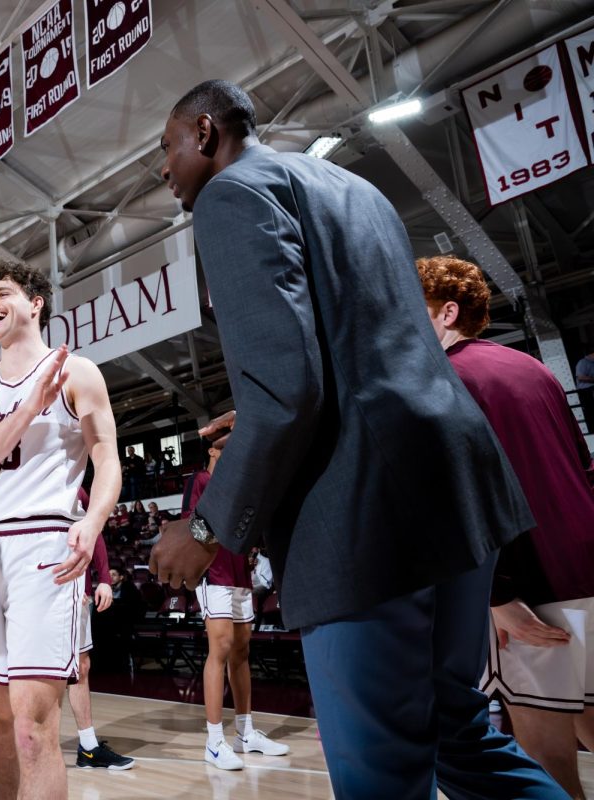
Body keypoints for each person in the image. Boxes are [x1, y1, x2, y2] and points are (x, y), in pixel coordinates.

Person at [149, 79, 565, 798]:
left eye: (168, 147)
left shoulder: (231, 195)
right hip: (454, 486)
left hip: (367, 511)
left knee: (383, 773)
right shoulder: (350, 186)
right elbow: (366, 347)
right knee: (459, 740)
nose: (164, 169)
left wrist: (209, 524)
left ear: (207, 132)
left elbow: (287, 387)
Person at [418, 255, 594, 797]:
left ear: (448, 313)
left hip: (529, 581)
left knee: (545, 756)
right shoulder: (535, 369)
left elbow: (466, 493)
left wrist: (494, 593)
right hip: (587, 566)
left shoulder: (445, 378)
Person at [0, 260, 120, 800]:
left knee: (33, 726)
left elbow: (106, 458)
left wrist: (92, 523)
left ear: (36, 303)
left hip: (43, 545)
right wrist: (30, 406)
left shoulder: (78, 371)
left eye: (2, 293)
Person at [181, 450, 287, 770]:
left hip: (240, 571)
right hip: (214, 573)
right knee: (221, 648)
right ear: (212, 450)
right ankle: (214, 742)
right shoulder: (199, 480)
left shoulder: (241, 483)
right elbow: (191, 525)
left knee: (242, 651)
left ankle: (245, 733)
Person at [68, 523, 134, 770]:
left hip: (77, 592)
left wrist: (104, 578)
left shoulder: (79, 492)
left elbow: (93, 532)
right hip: (38, 589)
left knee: (82, 667)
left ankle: (88, 747)